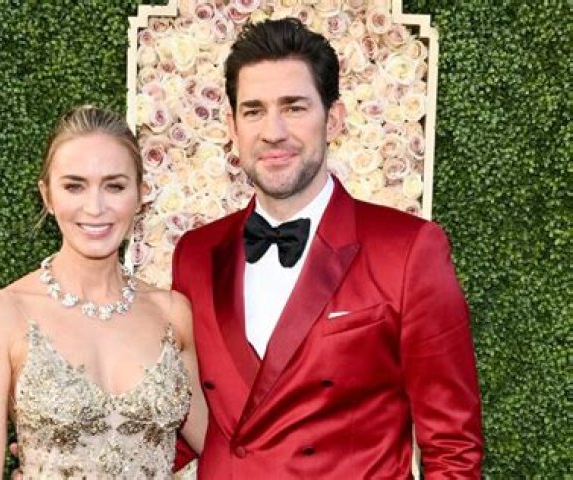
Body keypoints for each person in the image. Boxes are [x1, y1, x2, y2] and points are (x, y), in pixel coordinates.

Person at [172, 18, 483, 478]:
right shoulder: (195, 254)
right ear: (232, 126)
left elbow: (453, 448)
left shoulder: (409, 250)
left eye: (294, 107)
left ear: (333, 119)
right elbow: (179, 420)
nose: (273, 131)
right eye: (254, 111)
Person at [0, 105, 207, 479]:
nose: (95, 207)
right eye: (74, 186)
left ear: (141, 194)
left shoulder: (171, 313)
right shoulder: (0, 315)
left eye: (114, 186)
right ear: (47, 195)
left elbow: (223, 449)